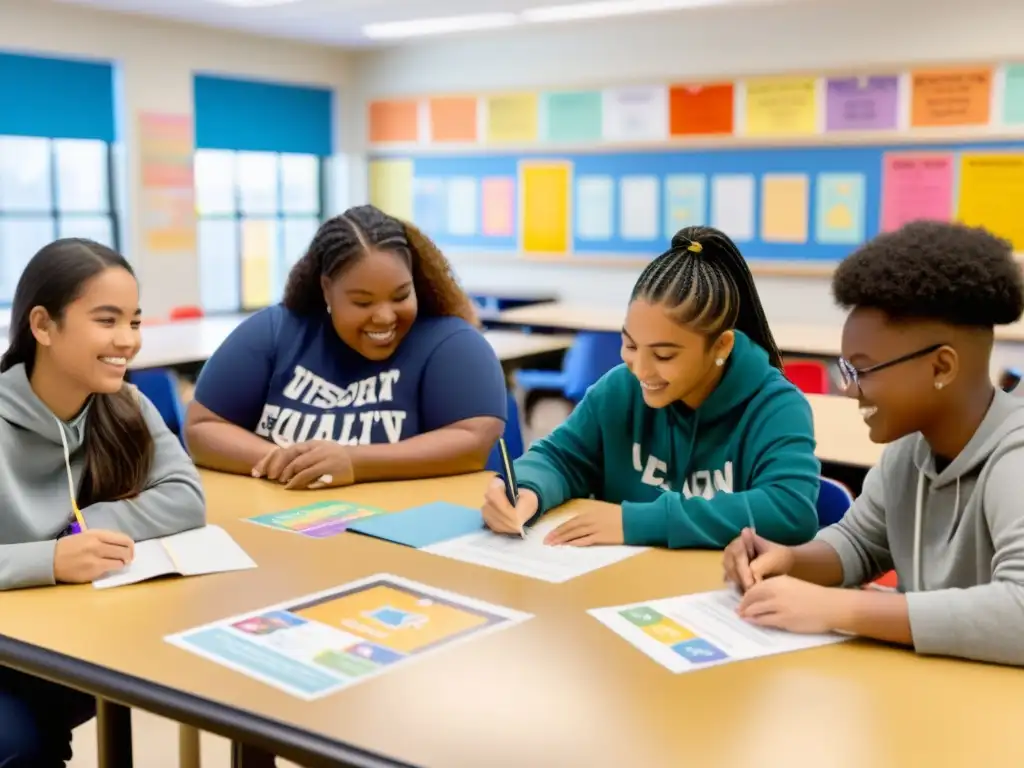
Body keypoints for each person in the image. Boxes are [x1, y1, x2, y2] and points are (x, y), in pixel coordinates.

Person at [724, 221, 1024, 668]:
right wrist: (790, 560)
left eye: (862, 370)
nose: (849, 389)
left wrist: (840, 609)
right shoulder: (909, 451)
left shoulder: (1014, 458)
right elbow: (860, 543)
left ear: (942, 367)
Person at [482, 226, 820, 549]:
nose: (641, 369)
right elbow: (561, 458)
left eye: (663, 354)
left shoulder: (775, 406)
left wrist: (640, 521)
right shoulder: (619, 390)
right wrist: (526, 489)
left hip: (718, 595)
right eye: (630, 345)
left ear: (721, 347)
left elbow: (790, 509)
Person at [0, 238, 206, 764]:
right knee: (21, 744)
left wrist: (85, 525)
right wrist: (49, 559)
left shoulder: (127, 405)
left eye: (134, 322)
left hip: (70, 642)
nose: (127, 341)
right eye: (107, 320)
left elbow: (186, 498)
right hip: (14, 648)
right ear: (42, 326)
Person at [185, 204, 506, 488]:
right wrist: (287, 461)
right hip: (284, 526)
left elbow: (473, 442)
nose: (384, 317)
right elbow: (203, 426)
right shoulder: (275, 331)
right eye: (362, 302)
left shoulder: (452, 344)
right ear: (327, 289)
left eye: (401, 296)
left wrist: (355, 462)